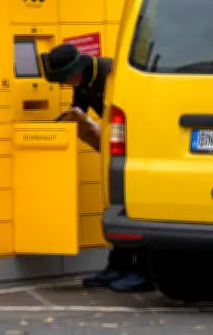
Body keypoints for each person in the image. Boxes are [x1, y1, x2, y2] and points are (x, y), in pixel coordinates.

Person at [42, 43, 154, 293]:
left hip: (140, 148)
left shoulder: (112, 74)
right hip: (119, 147)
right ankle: (118, 266)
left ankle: (145, 272)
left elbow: (137, 111)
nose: (64, 85)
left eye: (65, 79)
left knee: (138, 207)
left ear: (76, 70)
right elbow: (80, 111)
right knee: (119, 207)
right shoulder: (83, 82)